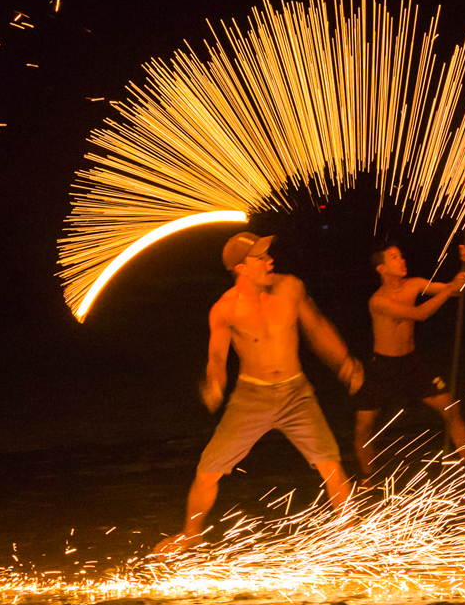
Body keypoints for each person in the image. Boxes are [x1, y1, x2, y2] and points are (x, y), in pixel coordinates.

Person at [152, 232, 363, 556]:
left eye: (268, 254)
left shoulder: (290, 287)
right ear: (240, 268)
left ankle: (353, 537)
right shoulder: (225, 309)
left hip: (296, 393)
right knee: (207, 472)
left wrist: (344, 362)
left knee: (331, 465)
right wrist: (215, 384)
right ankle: (190, 535)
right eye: (260, 257)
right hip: (252, 397)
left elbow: (317, 326)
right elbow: (218, 358)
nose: (270, 260)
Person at [355, 240, 465, 480]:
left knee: (451, 408)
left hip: (411, 365)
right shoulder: (377, 301)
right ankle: (368, 477)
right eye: (394, 258)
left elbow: (456, 288)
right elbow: (420, 314)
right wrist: (449, 289)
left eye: (401, 256)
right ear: (381, 268)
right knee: (363, 426)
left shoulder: (415, 284)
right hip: (383, 368)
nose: (402, 260)